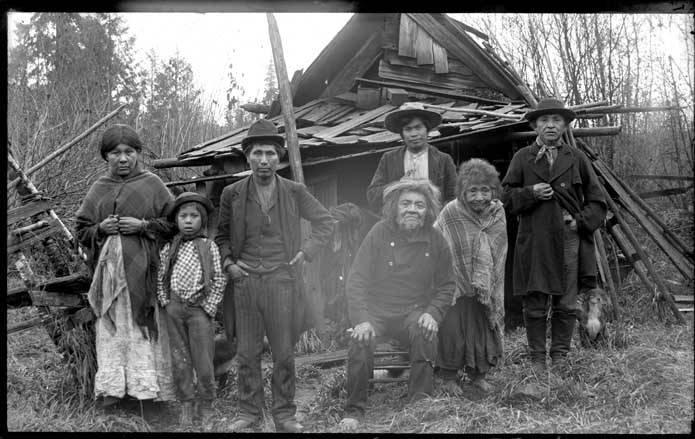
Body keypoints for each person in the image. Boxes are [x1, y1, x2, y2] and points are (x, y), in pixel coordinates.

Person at [215, 119, 334, 433]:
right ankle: (249, 413)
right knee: (247, 353)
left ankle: (284, 415)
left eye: (270, 153)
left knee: (283, 352)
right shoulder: (232, 193)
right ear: (247, 157)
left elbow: (325, 222)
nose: (264, 160)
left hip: (282, 280)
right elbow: (221, 236)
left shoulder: (294, 191)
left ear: (279, 157)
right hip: (245, 282)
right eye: (257, 153)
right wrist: (230, 265)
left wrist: (306, 252)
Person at [340, 179, 455, 431]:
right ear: (395, 207)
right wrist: (361, 318)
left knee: (425, 332)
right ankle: (354, 409)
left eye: (419, 205)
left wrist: (433, 313)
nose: (412, 209)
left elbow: (447, 284)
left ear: (428, 211)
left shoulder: (436, 239)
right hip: (376, 312)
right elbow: (356, 280)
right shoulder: (378, 233)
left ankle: (419, 405)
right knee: (360, 340)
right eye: (406, 204)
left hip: (413, 311)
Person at [501, 98, 606, 374]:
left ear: (565, 125)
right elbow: (506, 198)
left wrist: (579, 221)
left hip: (568, 240)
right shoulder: (522, 158)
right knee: (535, 300)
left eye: (556, 120)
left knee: (566, 302)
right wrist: (530, 193)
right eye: (544, 120)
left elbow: (598, 202)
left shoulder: (576, 158)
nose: (550, 125)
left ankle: (560, 357)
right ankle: (537, 359)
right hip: (534, 240)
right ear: (535, 125)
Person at [76, 124, 176, 405]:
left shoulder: (153, 184)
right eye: (115, 153)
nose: (123, 158)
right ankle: (114, 392)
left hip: (145, 271)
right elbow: (81, 229)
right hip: (109, 276)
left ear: (138, 154)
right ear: (105, 157)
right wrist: (102, 228)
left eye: (129, 152)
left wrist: (143, 225)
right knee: (114, 327)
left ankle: (146, 393)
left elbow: (174, 223)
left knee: (143, 327)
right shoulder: (99, 188)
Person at [435, 159, 508, 395]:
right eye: (472, 191)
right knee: (452, 330)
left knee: (483, 328)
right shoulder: (451, 212)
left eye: (485, 190)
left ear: (493, 191)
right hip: (455, 286)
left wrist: (488, 282)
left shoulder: (498, 212)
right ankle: (449, 377)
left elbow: (499, 248)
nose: (479, 197)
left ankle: (479, 376)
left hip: (484, 288)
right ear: (462, 192)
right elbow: (441, 244)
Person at [157, 192, 226, 429]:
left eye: (194, 216)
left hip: (199, 311)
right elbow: (161, 278)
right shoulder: (169, 248)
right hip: (174, 310)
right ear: (176, 220)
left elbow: (218, 279)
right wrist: (166, 302)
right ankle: (186, 403)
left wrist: (209, 307)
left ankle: (206, 405)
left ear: (202, 220)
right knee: (180, 359)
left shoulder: (209, 247)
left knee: (203, 361)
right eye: (183, 216)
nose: (188, 221)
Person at [366, 102, 457, 213]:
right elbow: (372, 195)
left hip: (433, 223)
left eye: (418, 127)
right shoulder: (389, 158)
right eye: (408, 129)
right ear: (402, 134)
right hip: (399, 222)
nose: (414, 134)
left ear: (427, 130)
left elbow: (454, 197)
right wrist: (398, 185)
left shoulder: (443, 160)